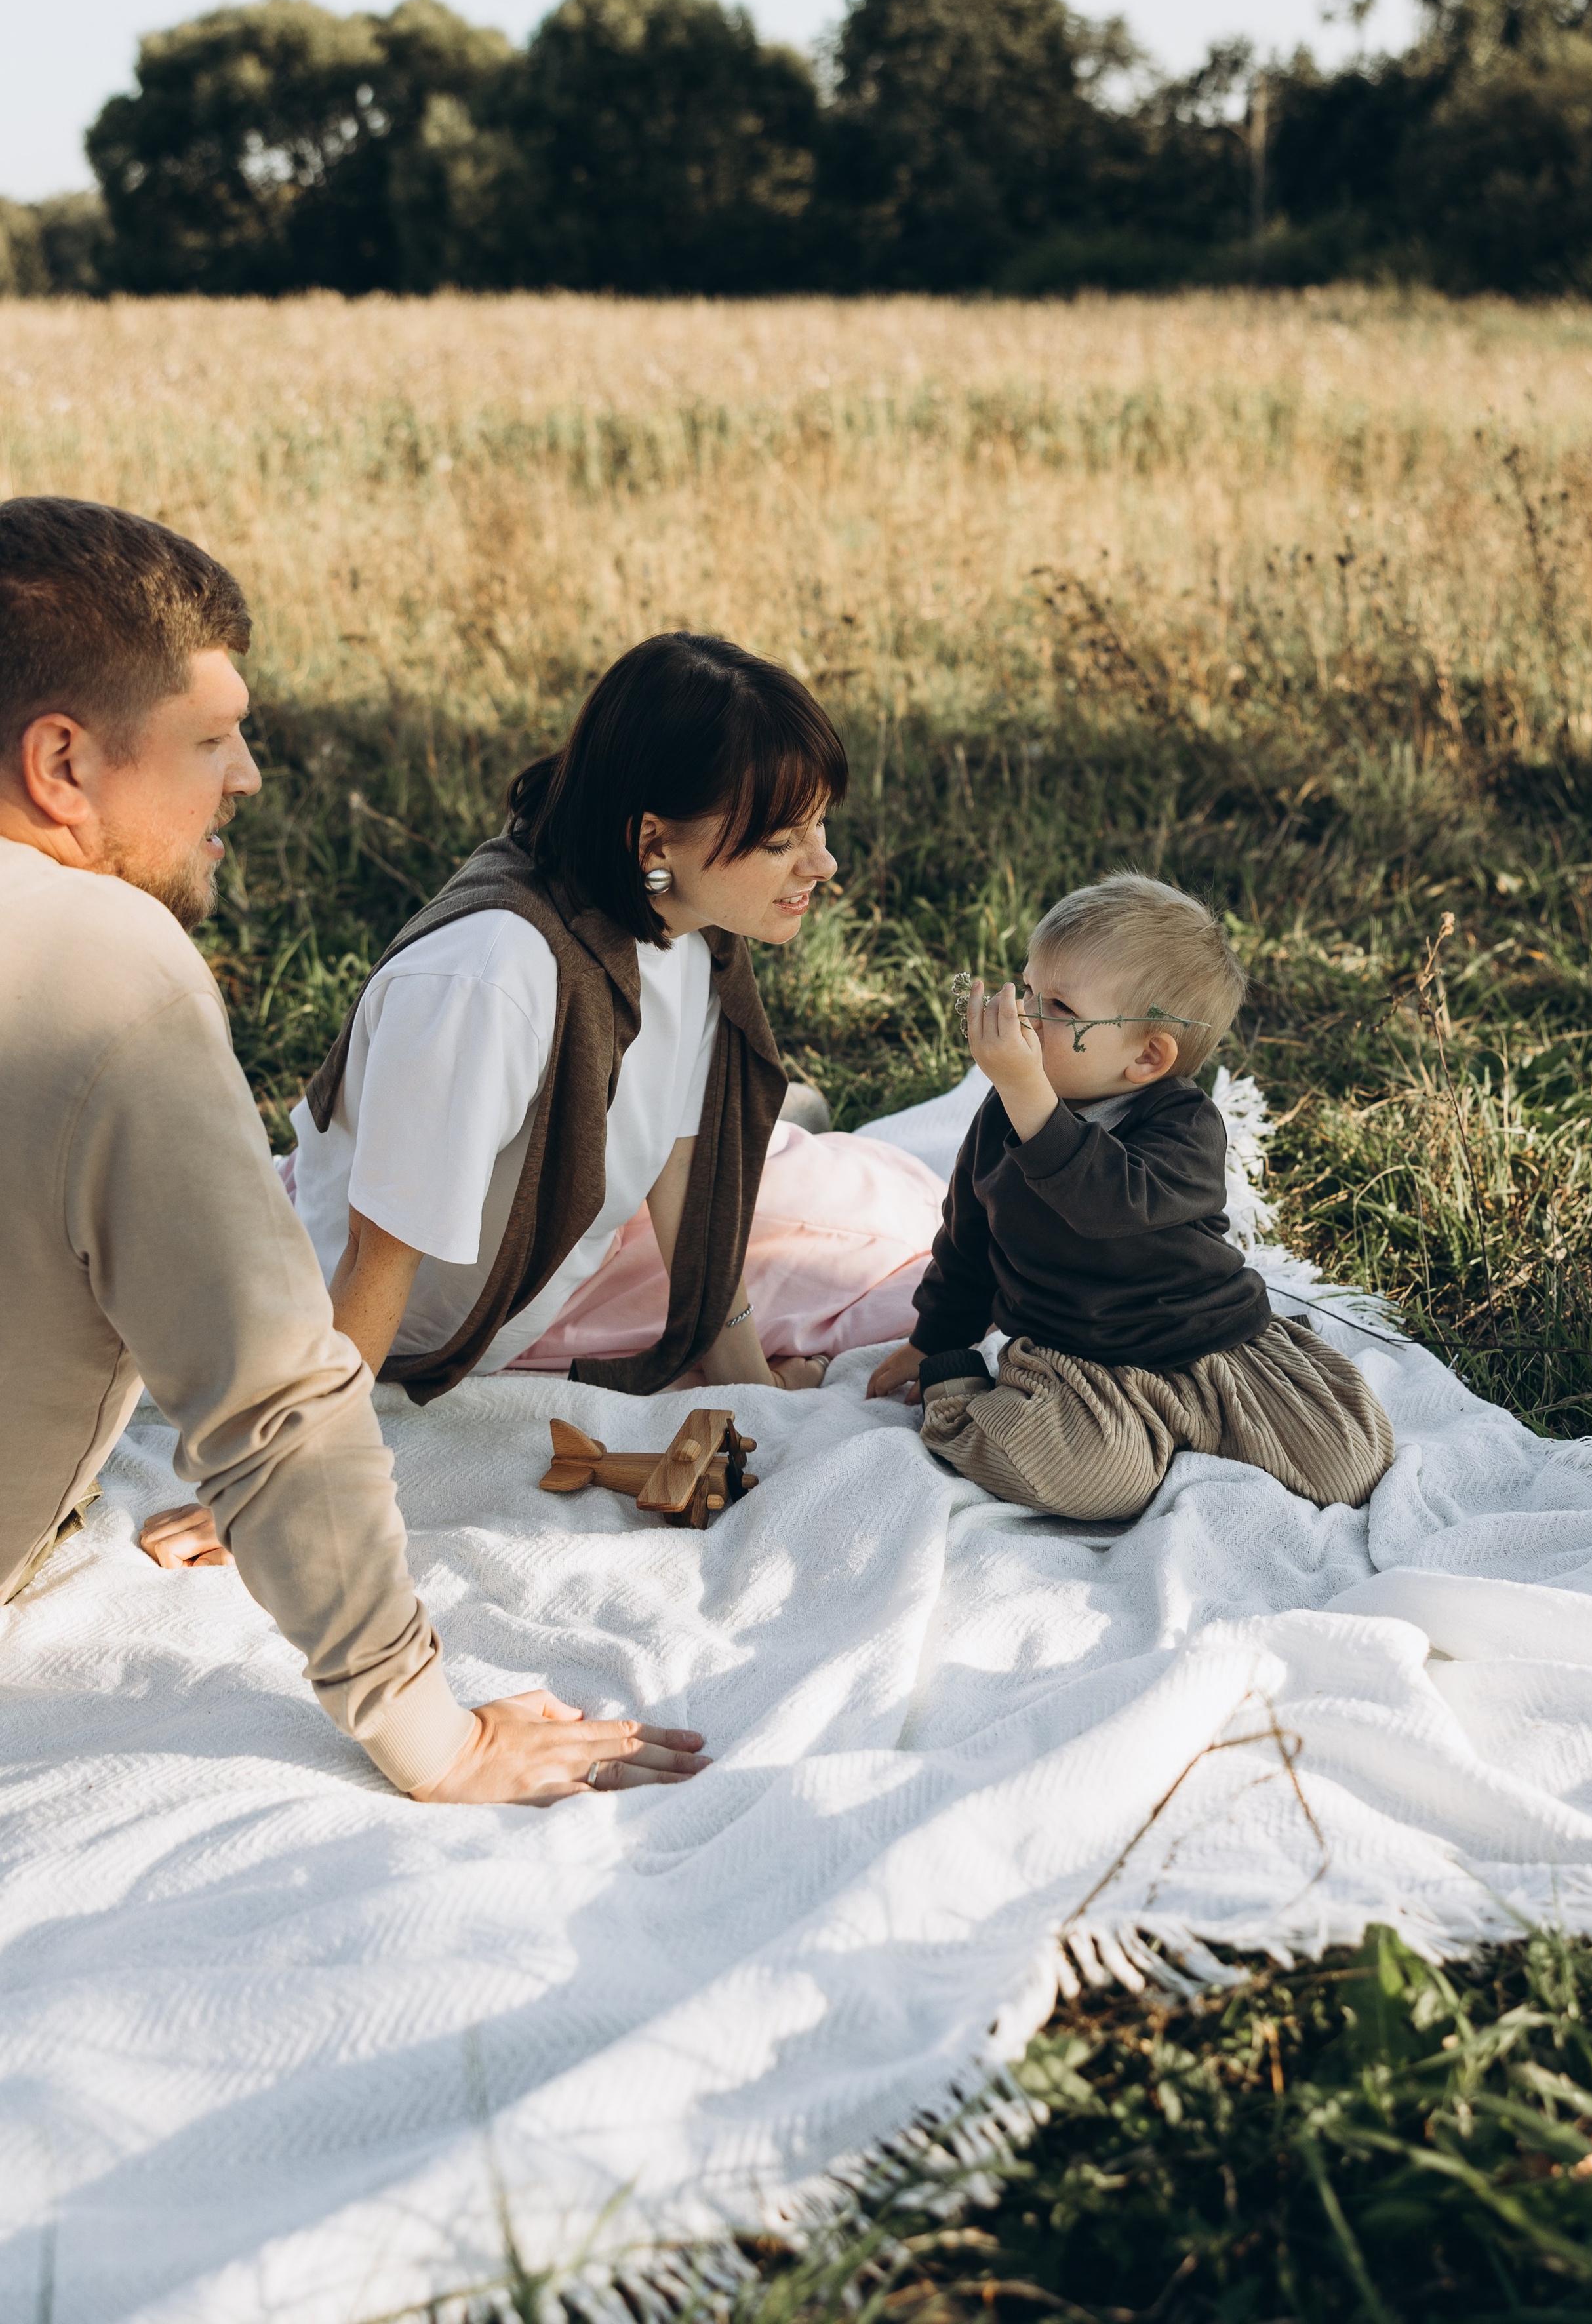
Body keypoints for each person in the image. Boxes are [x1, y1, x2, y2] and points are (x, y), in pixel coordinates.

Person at [0, 495, 707, 1805]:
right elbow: (274, 1405)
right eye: (211, 739)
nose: (248, 777)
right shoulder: (105, 970)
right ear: (62, 766)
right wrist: (436, 1735)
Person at [277, 633, 894, 1401]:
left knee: (902, 1208)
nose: (823, 864)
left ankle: (793, 1131)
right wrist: (285, 1471)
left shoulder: (683, 924)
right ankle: (797, 1135)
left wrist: (746, 1388)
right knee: (906, 1271)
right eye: (780, 842)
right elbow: (377, 1254)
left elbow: (680, 1167)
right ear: (651, 840)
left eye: (818, 826)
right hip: (439, 1319)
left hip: (579, 1232)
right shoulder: (488, 982)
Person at [866, 873, 1394, 1520]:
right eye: (1027, 988)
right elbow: (968, 1239)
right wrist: (934, 1342)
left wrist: (1028, 1095)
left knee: (1351, 1463)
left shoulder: (1186, 1126)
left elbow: (1109, 1204)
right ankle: (960, 1399)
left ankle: (1198, 1422)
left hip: (1211, 1341)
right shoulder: (1005, 1116)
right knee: (1093, 1486)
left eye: (1057, 1008)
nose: (1025, 1017)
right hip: (1076, 1360)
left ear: (1147, 1057)